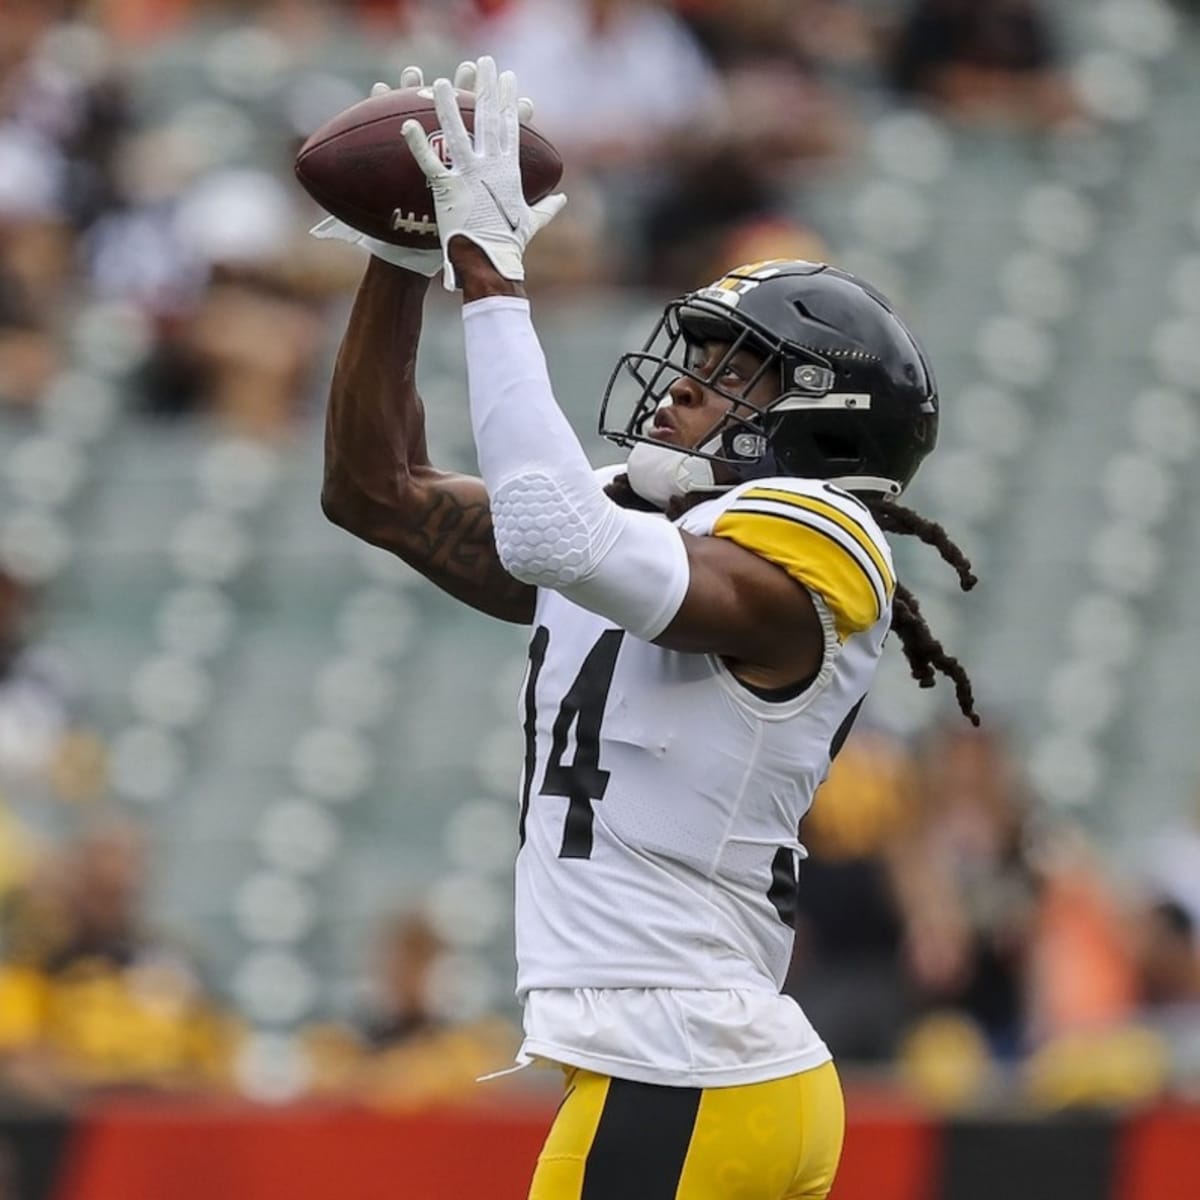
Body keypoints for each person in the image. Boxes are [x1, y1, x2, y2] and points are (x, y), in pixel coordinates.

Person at [317, 56, 977, 1200]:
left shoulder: (815, 545)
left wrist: (492, 275)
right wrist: (404, 253)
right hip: (688, 1068)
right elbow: (374, 489)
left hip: (684, 1067)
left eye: (730, 374)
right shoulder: (646, 524)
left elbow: (551, 534)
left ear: (817, 420)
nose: (679, 387)